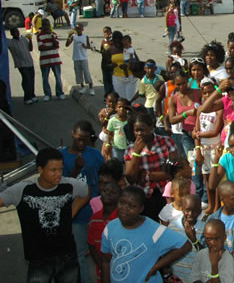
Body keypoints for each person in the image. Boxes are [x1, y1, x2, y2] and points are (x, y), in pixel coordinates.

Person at [0, 147, 89, 283]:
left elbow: (86, 192)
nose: (58, 174)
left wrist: (72, 211)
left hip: (67, 256)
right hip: (38, 259)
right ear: (40, 170)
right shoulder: (23, 189)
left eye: (60, 169)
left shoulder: (69, 185)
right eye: (53, 170)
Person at [100, 186, 191, 283]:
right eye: (122, 203)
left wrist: (156, 266)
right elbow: (106, 261)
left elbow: (185, 246)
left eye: (131, 206)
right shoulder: (110, 228)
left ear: (141, 209)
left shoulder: (154, 231)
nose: (124, 208)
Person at [61, 120, 105, 283]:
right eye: (79, 138)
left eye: (85, 139)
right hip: (77, 215)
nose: (82, 143)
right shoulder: (63, 156)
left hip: (97, 214)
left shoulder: (94, 154)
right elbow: (62, 187)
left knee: (101, 251)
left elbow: (104, 178)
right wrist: (76, 170)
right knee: (80, 253)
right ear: (72, 134)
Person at [124, 112, 178, 220]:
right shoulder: (130, 150)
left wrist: (148, 176)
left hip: (166, 194)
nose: (139, 134)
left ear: (151, 127)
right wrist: (136, 153)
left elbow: (173, 171)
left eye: (142, 130)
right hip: (144, 197)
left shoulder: (167, 142)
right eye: (136, 130)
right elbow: (130, 178)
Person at [7, 27, 37, 104]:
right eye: (15, 32)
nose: (17, 33)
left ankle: (32, 95)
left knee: (31, 79)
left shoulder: (23, 39)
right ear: (12, 34)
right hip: (21, 64)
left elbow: (30, 49)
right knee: (26, 79)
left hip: (29, 62)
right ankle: (27, 97)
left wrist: (30, 40)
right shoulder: (11, 42)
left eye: (17, 31)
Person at [37, 18, 65, 101]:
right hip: (44, 60)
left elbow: (56, 45)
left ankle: (59, 93)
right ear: (42, 26)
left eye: (48, 25)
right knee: (45, 78)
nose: (47, 27)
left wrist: (52, 38)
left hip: (55, 59)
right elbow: (41, 48)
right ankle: (47, 94)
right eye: (45, 25)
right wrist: (51, 46)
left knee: (58, 77)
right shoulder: (39, 35)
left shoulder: (54, 34)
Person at [66, 23, 95, 95]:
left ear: (82, 29)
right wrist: (69, 37)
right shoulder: (74, 37)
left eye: (79, 28)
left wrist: (85, 46)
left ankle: (91, 88)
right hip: (76, 57)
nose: (78, 30)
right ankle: (82, 87)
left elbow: (89, 47)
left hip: (83, 57)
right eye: (76, 28)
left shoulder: (85, 37)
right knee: (78, 73)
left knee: (86, 73)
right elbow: (67, 44)